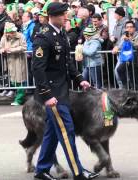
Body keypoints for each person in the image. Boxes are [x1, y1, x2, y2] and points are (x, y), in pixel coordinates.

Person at [32, 2, 99, 180]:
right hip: (53, 94)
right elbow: (38, 69)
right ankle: (78, 172)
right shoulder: (43, 37)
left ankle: (41, 169)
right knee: (66, 131)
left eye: (66, 13)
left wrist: (80, 79)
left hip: (62, 90)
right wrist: (46, 95)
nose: (66, 16)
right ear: (52, 16)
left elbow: (67, 62)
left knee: (53, 133)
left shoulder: (61, 34)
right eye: (62, 14)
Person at [0, 22, 27, 106]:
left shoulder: (20, 36)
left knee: (20, 80)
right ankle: (18, 97)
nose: (13, 33)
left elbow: (24, 47)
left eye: (14, 31)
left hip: (19, 60)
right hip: (9, 61)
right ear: (7, 32)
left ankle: (19, 100)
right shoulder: (4, 38)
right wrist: (2, 50)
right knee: (13, 81)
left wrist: (11, 49)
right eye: (11, 32)